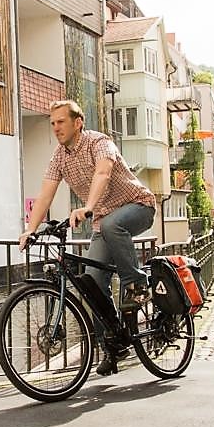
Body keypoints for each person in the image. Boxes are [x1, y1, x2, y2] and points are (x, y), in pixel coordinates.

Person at [20, 99, 158, 308]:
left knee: (111, 225)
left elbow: (103, 173)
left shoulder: (99, 143)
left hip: (138, 205)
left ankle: (137, 284)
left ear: (78, 123)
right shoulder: (58, 158)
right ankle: (111, 338)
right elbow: (45, 196)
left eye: (61, 122)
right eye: (53, 123)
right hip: (104, 222)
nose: (56, 128)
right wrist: (30, 230)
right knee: (92, 284)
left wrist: (88, 207)